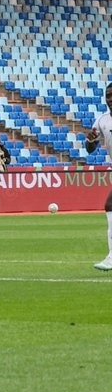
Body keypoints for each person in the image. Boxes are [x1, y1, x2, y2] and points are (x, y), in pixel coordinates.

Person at [85, 83, 112, 271]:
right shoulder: (102, 120)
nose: (110, 99)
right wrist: (91, 140)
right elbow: (90, 149)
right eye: (107, 95)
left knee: (110, 204)